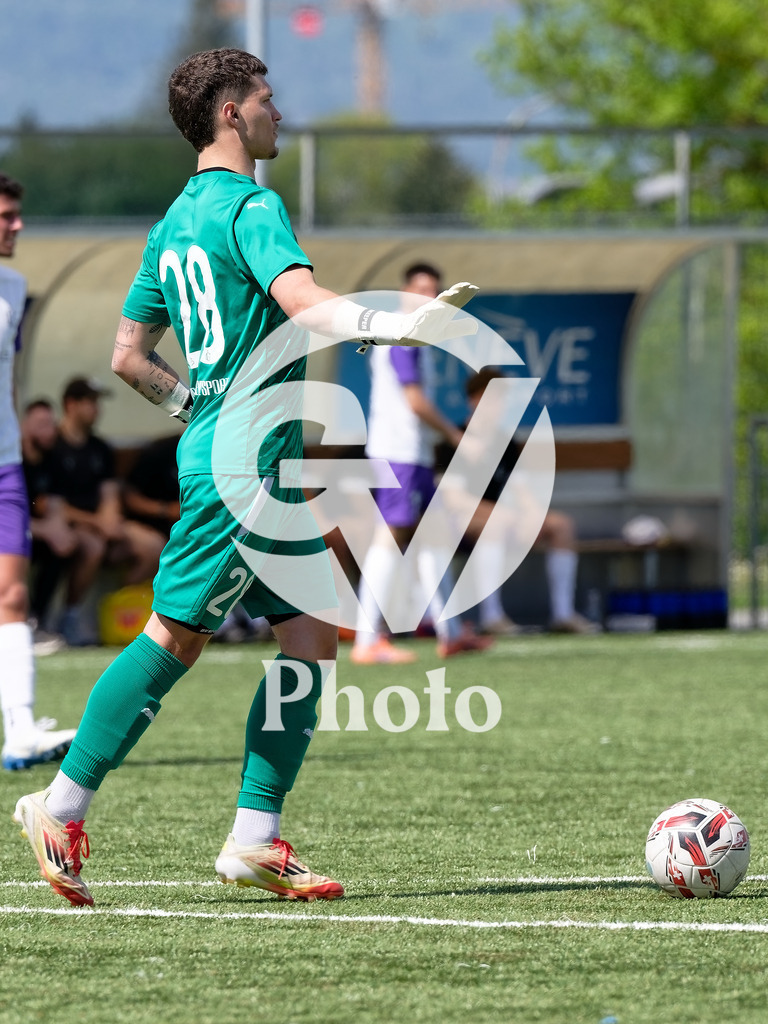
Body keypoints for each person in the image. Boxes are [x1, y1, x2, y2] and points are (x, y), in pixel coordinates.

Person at [14, 48, 478, 907]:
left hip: (235, 450)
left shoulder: (174, 220)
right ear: (231, 112)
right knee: (174, 637)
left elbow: (127, 357)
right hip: (244, 466)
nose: (277, 112)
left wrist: (200, 409)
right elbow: (304, 303)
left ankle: (253, 840)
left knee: (312, 635)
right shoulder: (251, 205)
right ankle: (61, 802)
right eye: (266, 99)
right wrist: (398, 325)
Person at [350, 262, 492, 664]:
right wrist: (454, 434)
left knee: (434, 535)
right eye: (420, 290)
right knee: (390, 536)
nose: (427, 298)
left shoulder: (415, 334)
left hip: (411, 453)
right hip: (397, 453)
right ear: (403, 294)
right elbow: (413, 401)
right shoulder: (402, 333)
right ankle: (366, 641)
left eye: (434, 291)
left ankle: (449, 632)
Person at [0, 173, 76, 770]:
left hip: (4, 466)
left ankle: (20, 729)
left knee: (14, 593)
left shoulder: (15, 286)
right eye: (5, 215)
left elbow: (12, 377)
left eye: (16, 214)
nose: (15, 224)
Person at [456, 369, 599, 635]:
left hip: (504, 517)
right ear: (474, 400)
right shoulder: (454, 438)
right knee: (496, 524)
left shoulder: (504, 441)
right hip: (460, 522)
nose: (499, 406)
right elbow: (452, 498)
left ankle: (563, 614)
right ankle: (491, 617)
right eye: (493, 398)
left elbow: (520, 489)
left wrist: (533, 515)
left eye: (502, 398)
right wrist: (502, 515)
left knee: (560, 525)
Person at [49, 376, 166, 645]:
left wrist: (110, 519)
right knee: (93, 547)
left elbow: (110, 494)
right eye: (90, 402)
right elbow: (51, 505)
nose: (97, 409)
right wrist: (97, 522)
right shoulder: (54, 446)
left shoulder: (99, 448)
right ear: (71, 404)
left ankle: (119, 610)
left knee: (153, 545)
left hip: (101, 523)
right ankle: (69, 618)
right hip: (72, 524)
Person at [20, 399, 77, 640]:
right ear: (23, 426)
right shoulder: (11, 462)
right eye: (41, 424)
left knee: (62, 547)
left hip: (33, 533)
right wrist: (44, 529)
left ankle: (37, 620)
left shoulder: (51, 459)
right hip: (12, 532)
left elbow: (53, 504)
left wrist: (58, 529)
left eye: (51, 424)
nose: (50, 430)